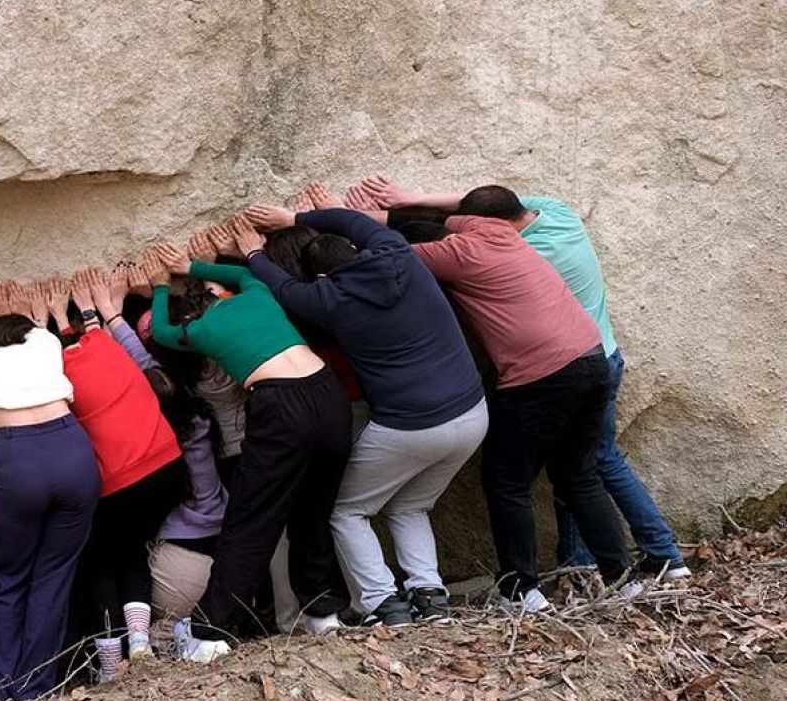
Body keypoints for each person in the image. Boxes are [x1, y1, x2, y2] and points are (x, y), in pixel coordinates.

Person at [363, 178, 688, 581]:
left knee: (523, 479)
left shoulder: (493, 252)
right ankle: (602, 570)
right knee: (578, 471)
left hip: (547, 371)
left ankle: (654, 555)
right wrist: (413, 200)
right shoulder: (558, 214)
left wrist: (351, 220)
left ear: (487, 224)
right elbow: (471, 208)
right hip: (598, 354)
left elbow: (408, 257)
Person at [238, 200, 488, 627]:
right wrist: (296, 218)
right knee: (411, 506)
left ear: (320, 276)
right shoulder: (398, 253)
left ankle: (382, 602)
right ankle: (430, 595)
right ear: (357, 250)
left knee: (346, 510)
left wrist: (251, 254)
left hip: (410, 427)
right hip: (473, 414)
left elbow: (280, 288)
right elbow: (350, 219)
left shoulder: (329, 299)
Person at [146, 239, 353, 660]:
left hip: (280, 403)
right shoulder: (257, 293)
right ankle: (322, 611)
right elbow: (245, 273)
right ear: (221, 295)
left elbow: (164, 333)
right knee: (314, 509)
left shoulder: (203, 330)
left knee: (251, 519)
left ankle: (210, 632)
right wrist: (194, 263)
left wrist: (159, 286)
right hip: (328, 394)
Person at [0, 283, 101, 701]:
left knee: (11, 576)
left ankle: (4, 689)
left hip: (19, 454)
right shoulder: (45, 340)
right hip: (70, 448)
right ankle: (38, 685)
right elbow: (38, 330)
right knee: (54, 575)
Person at [59, 272, 185, 673]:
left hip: (120, 479)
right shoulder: (120, 360)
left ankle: (112, 665)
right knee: (132, 553)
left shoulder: (64, 372)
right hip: (165, 465)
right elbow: (101, 339)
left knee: (99, 564)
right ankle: (141, 642)